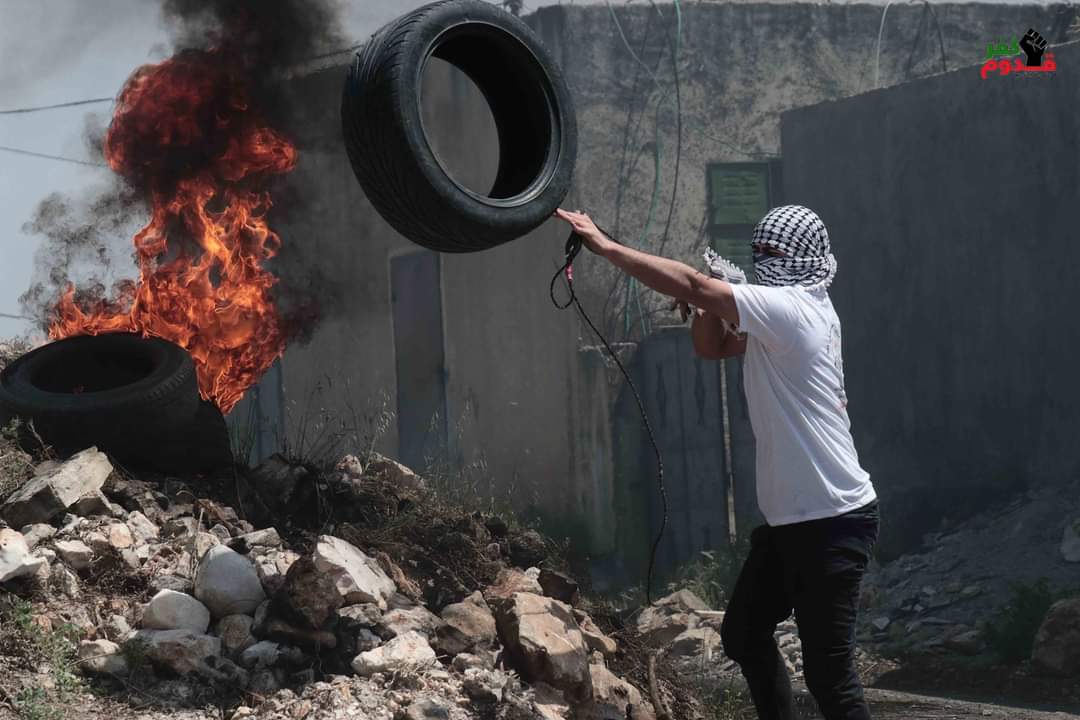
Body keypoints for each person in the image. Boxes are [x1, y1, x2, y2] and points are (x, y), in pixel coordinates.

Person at [553, 205, 879, 720]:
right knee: (745, 633)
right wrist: (709, 305)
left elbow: (691, 284)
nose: (763, 260)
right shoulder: (786, 311)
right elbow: (711, 347)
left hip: (830, 520)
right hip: (792, 524)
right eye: (759, 251)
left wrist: (608, 247)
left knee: (830, 675)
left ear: (803, 258)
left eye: (775, 252)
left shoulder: (795, 308)